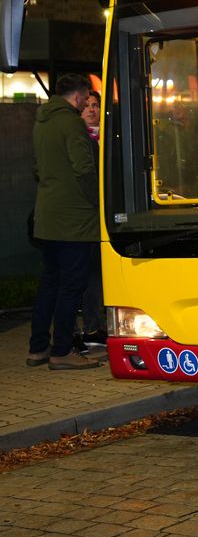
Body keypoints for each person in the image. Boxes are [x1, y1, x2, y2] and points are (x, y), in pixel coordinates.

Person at [26, 74, 102, 370]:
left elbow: (37, 168)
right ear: (78, 96)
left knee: (49, 283)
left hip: (47, 216)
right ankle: (61, 351)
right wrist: (97, 202)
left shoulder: (41, 121)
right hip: (74, 220)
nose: (86, 102)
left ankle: (38, 349)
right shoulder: (72, 123)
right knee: (72, 284)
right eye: (85, 97)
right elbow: (84, 169)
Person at [78, 90, 107, 352]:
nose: (91, 110)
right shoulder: (78, 139)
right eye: (86, 105)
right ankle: (91, 327)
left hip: (107, 217)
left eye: (95, 105)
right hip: (87, 218)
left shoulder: (108, 137)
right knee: (91, 275)